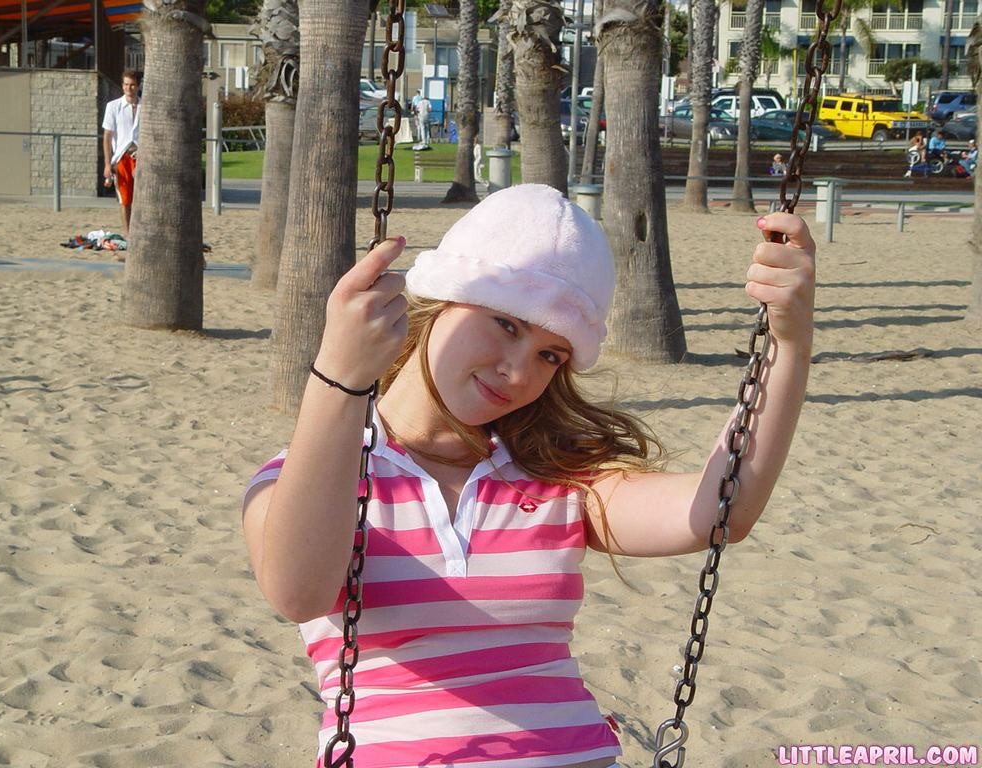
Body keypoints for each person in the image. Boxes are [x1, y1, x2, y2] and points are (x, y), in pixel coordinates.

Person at [242, 184, 816, 767]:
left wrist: (788, 346)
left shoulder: (554, 478)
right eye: (506, 324)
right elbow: (300, 592)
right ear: (440, 300)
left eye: (551, 355)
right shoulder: (318, 473)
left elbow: (721, 511)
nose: (517, 371)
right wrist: (340, 375)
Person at [102, 69, 141, 242]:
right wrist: (107, 164)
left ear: (138, 86)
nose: (128, 88)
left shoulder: (145, 106)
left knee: (141, 196)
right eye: (126, 84)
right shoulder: (113, 106)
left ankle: (139, 231)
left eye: (132, 85)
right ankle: (127, 234)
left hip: (141, 155)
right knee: (125, 197)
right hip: (122, 157)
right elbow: (107, 136)